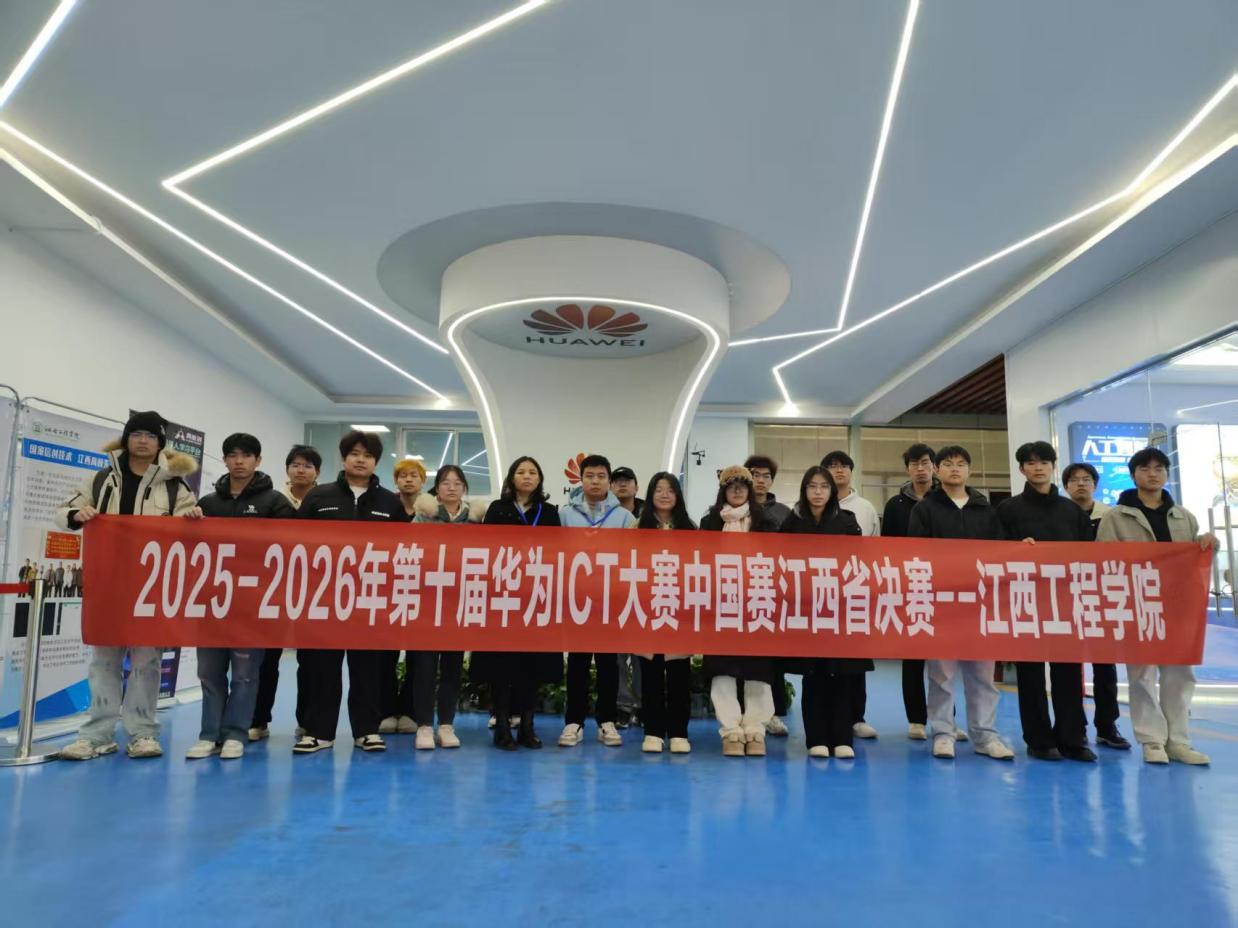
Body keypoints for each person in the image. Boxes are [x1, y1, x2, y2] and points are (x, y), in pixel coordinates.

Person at [56, 410, 198, 761]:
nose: (143, 440)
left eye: (150, 435)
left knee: (146, 660)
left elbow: (190, 529)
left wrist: (192, 518)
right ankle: (97, 734)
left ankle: (142, 733)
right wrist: (77, 515)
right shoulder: (102, 479)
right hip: (108, 582)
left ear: (160, 443)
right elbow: (65, 511)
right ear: (126, 438)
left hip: (150, 586)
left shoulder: (174, 486)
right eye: (136, 434)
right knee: (104, 660)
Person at [1097, 447, 1217, 765]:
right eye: (1145, 468)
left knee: (1180, 674)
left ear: (1167, 474)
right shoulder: (1116, 517)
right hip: (1138, 604)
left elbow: (1195, 560)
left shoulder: (1183, 516)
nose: (1153, 474)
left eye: (1159, 468)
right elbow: (1104, 560)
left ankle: (1178, 741)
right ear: (1133, 474)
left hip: (1179, 606)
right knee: (1142, 675)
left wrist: (1207, 545)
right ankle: (1152, 741)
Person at [183, 433, 295, 759]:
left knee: (245, 673)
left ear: (257, 460)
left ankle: (235, 733)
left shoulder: (275, 502)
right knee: (209, 671)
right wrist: (189, 522)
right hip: (212, 601)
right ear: (224, 460)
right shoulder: (208, 504)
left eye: (246, 455)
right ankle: (209, 734)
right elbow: (189, 547)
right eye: (232, 455)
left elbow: (289, 544)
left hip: (252, 602)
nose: (239, 461)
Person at [295, 430, 403, 754]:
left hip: (370, 598)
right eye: (354, 454)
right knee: (322, 668)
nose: (360, 460)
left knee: (368, 668)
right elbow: (296, 544)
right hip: (325, 598)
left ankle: (367, 730)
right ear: (343, 459)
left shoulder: (390, 503)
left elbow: (403, 550)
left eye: (367, 456)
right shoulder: (318, 497)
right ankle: (319, 732)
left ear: (376, 462)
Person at [908, 445, 1015, 762]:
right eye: (947, 464)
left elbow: (1000, 553)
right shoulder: (925, 509)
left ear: (969, 470)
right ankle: (944, 733)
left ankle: (985, 735)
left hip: (980, 604)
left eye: (961, 463)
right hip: (940, 604)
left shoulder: (986, 510)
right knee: (941, 674)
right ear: (937, 470)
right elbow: (915, 555)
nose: (954, 469)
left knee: (982, 674)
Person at [996, 441, 1096, 763]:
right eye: (1030, 463)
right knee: (1030, 675)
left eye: (1043, 462)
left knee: (1068, 672)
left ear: (1053, 466)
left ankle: (1072, 739)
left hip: (1066, 602)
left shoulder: (1071, 511)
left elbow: (1090, 556)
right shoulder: (1008, 510)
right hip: (1026, 601)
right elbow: (994, 553)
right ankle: (1038, 740)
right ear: (1021, 469)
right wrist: (1016, 548)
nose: (1037, 468)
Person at [476, 456, 563, 750]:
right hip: (503, 596)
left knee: (531, 666)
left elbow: (557, 552)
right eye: (521, 472)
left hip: (535, 598)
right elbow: (485, 548)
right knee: (501, 666)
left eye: (532, 472)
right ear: (511, 478)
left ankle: (527, 726)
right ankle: (501, 726)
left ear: (539, 479)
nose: (527, 476)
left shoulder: (548, 512)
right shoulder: (497, 509)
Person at [780, 467, 865, 759]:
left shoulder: (847, 521)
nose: (818, 492)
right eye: (812, 486)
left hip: (839, 608)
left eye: (824, 486)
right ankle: (815, 737)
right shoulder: (792, 523)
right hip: (806, 609)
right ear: (804, 490)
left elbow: (859, 562)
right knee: (813, 674)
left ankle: (842, 738)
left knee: (841, 673)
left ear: (831, 491)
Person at [559, 454, 638, 748]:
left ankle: (607, 721)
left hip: (611, 600)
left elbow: (634, 558)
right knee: (577, 662)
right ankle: (574, 722)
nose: (595, 481)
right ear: (580, 479)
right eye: (589, 476)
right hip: (576, 599)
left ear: (609, 481)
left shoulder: (625, 518)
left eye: (601, 476)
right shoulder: (565, 515)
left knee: (609, 663)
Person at [701, 465, 778, 757]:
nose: (737, 490)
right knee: (722, 667)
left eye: (742, 485)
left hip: (757, 602)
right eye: (731, 485)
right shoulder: (710, 522)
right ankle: (731, 729)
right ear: (723, 490)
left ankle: (756, 728)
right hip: (721, 603)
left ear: (750, 490)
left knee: (758, 667)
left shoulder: (765, 522)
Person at [249, 444, 321, 742]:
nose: (300, 470)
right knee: (266, 660)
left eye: (307, 465)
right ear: (287, 469)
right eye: (295, 465)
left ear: (317, 472)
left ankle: (308, 721)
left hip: (314, 593)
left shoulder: (324, 502)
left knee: (311, 663)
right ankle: (258, 720)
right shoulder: (271, 501)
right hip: (273, 591)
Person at [412, 464, 486, 750]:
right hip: (428, 602)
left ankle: (446, 724)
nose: (451, 487)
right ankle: (423, 726)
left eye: (457, 483)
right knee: (425, 667)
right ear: (437, 488)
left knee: (452, 666)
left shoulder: (476, 520)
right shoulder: (423, 517)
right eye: (445, 482)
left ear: (464, 488)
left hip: (459, 602)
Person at [882, 443, 949, 742]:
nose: (920, 468)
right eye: (914, 464)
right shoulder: (895, 505)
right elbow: (887, 548)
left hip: (944, 587)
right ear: (907, 468)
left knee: (944, 660)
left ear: (934, 466)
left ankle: (946, 719)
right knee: (912, 659)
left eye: (925, 462)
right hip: (909, 588)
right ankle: (916, 720)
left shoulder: (947, 500)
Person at [1062, 461, 1129, 750]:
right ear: (1066, 486)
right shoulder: (1058, 514)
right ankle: (1074, 728)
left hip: (1102, 596)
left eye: (1086, 479)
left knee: (1105, 665)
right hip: (1066, 597)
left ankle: (1107, 725)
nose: (1081, 484)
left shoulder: (1111, 516)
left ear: (1095, 484)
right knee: (1068, 667)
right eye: (1074, 479)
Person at [635, 472, 697, 754]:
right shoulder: (638, 527)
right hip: (648, 608)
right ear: (650, 495)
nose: (664, 495)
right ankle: (653, 731)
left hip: (679, 609)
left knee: (679, 674)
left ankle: (679, 732)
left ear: (677, 496)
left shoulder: (689, 528)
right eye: (658, 489)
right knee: (650, 673)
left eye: (670, 490)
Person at [822, 450, 880, 740]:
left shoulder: (865, 508)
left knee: (855, 658)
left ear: (851, 471)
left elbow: (876, 549)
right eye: (832, 466)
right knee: (823, 660)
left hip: (856, 592)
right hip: (821, 593)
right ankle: (825, 717)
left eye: (844, 466)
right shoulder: (812, 506)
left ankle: (857, 717)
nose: (839, 471)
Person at [377, 457, 426, 736]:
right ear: (396, 480)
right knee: (385, 653)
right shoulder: (385, 507)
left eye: (414, 475)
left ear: (423, 481)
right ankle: (386, 710)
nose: (408, 480)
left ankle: (409, 711)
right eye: (403, 475)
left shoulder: (432, 511)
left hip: (422, 591)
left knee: (418, 655)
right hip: (388, 589)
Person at [745, 454, 793, 737]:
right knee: (742, 655)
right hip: (740, 592)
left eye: (766, 476)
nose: (760, 480)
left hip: (773, 593)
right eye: (755, 474)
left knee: (772, 657)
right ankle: (743, 712)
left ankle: (772, 713)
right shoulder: (735, 509)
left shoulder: (784, 513)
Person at [611, 465, 644, 728]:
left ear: (636, 486)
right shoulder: (607, 515)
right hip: (614, 591)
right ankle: (622, 705)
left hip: (645, 591)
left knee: (643, 654)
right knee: (618, 654)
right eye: (617, 481)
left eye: (627, 481)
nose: (622, 485)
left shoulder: (650, 513)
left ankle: (642, 705)